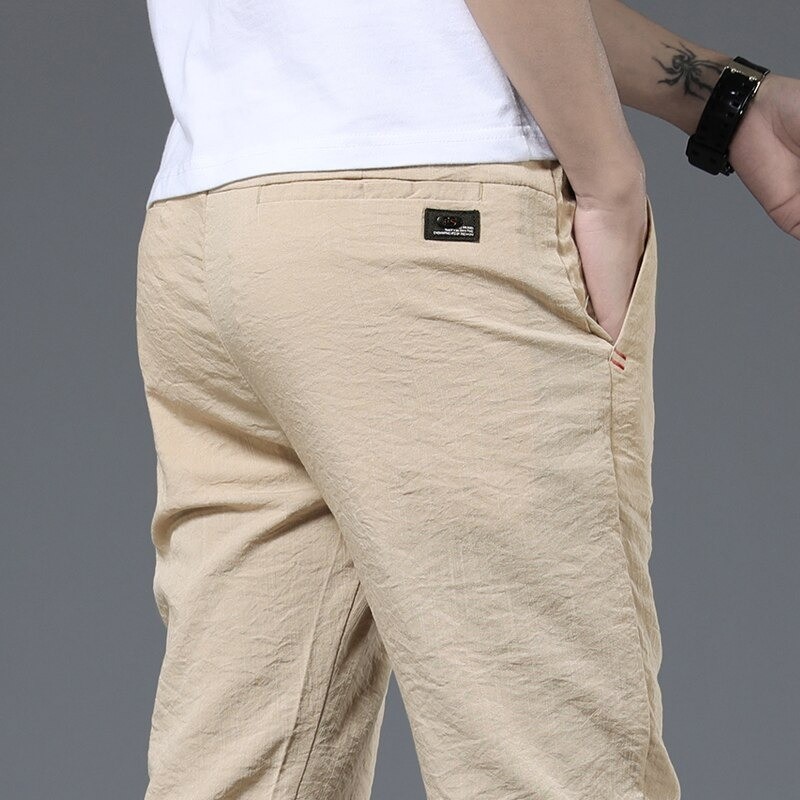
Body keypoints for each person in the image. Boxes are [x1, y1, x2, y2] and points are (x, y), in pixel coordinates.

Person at [134, 1, 799, 798]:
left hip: (213, 219)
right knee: (548, 767)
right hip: (427, 214)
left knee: (236, 772)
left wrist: (728, 99)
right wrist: (609, 181)